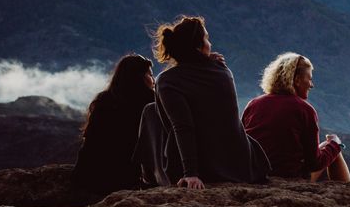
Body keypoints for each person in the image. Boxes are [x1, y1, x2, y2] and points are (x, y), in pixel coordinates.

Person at [151, 15, 270, 189]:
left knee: (152, 113)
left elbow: (182, 127)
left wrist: (190, 173)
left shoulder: (167, 80)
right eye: (206, 39)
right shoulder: (223, 70)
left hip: (206, 168)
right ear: (198, 48)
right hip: (243, 163)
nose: (210, 44)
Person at [242, 53, 350, 182]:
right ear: (297, 80)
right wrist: (335, 144)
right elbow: (315, 164)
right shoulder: (304, 109)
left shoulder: (253, 104)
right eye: (309, 79)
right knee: (333, 149)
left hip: (254, 176)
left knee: (326, 148)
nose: (311, 85)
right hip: (287, 179)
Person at [72, 54, 156, 194]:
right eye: (150, 75)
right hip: (126, 178)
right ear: (138, 76)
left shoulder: (103, 100)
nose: (153, 80)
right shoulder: (149, 103)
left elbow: (89, 142)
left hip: (90, 175)